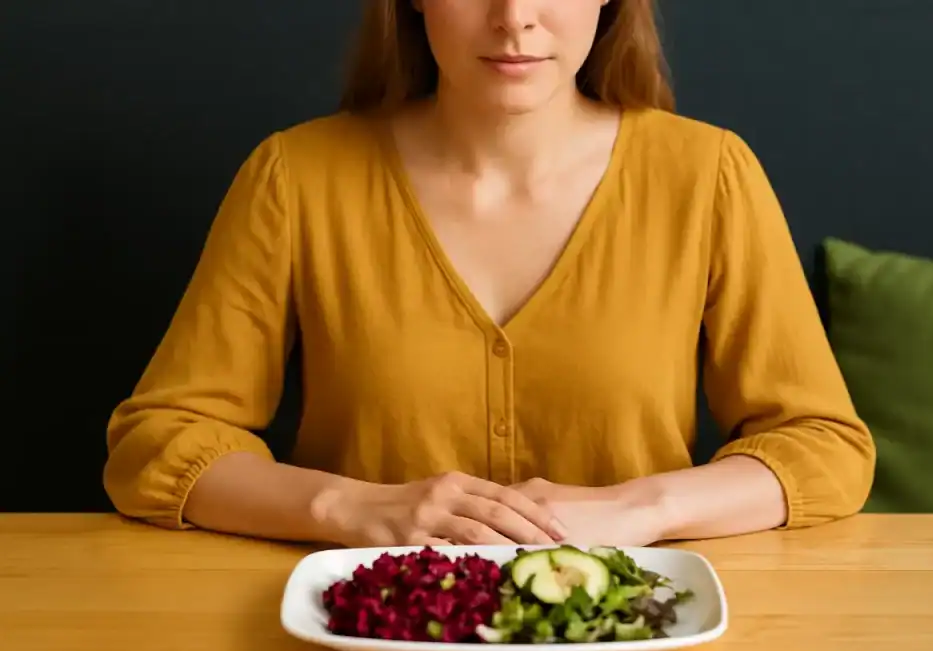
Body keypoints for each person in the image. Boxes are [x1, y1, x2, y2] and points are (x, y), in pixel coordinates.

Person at [103, 0, 876, 549]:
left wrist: (641, 509)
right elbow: (158, 445)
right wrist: (351, 507)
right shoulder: (295, 177)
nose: (514, 16)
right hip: (360, 643)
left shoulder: (709, 175)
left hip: (633, 639)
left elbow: (823, 449)